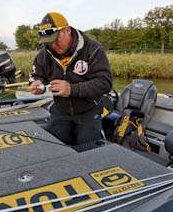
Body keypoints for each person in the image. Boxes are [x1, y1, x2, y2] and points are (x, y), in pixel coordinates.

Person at [29, 12, 112, 145]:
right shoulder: (43, 54)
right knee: (53, 144)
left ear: (67, 30)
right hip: (60, 109)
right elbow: (36, 75)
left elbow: (105, 83)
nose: (53, 45)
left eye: (56, 39)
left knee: (89, 147)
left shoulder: (93, 49)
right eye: (48, 41)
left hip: (88, 109)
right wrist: (36, 83)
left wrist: (71, 89)